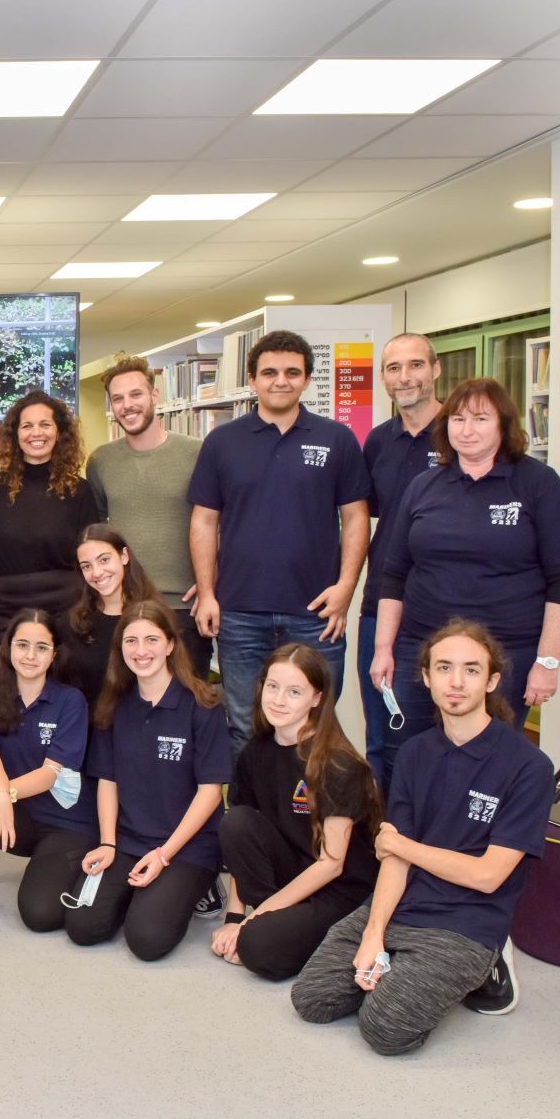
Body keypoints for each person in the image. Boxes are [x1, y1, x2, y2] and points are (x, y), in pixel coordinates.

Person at [291, 620, 554, 1054]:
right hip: (401, 907)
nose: (456, 682)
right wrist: (374, 933)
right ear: (427, 677)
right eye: (444, 668)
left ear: (491, 681)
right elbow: (393, 859)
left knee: (385, 1031)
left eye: (471, 670)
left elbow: (489, 876)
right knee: (312, 999)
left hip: (467, 922)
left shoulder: (528, 766)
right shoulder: (414, 753)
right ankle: (404, 966)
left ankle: (488, 963)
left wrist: (403, 846)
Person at [367, 379, 560, 783]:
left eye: (480, 419)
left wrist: (548, 663)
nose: (466, 430)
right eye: (458, 419)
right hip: (422, 649)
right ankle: (403, 843)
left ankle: (479, 847)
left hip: (505, 653)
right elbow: (394, 573)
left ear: (503, 425)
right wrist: (383, 649)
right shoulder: (424, 487)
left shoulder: (540, 485)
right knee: (406, 758)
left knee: (489, 764)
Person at [188, 329, 372, 749]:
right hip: (239, 613)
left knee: (314, 725)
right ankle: (250, 814)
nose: (280, 381)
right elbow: (203, 521)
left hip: (315, 614)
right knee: (244, 723)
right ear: (252, 379)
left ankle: (311, 814)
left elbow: (356, 517)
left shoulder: (337, 439)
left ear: (308, 380)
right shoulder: (222, 441)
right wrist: (210, 593)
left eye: (292, 372)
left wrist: (346, 588)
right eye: (269, 372)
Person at [65, 601, 232, 960]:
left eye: (152, 639)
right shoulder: (114, 705)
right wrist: (108, 844)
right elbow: (107, 780)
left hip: (186, 845)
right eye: (131, 641)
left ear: (171, 644)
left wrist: (163, 855)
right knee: (82, 925)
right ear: (120, 648)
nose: (141, 651)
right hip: (128, 839)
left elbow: (211, 792)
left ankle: (203, 887)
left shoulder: (203, 705)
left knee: (146, 939)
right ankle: (148, 891)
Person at [213, 645, 381, 981]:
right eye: (272, 687)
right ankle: (280, 924)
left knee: (259, 949)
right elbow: (241, 840)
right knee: (235, 822)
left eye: (294, 692)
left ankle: (322, 934)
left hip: (340, 889)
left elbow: (332, 864)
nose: (278, 700)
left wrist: (253, 920)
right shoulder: (254, 752)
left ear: (316, 698)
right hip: (292, 870)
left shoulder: (338, 764)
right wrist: (234, 917)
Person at [0, 610, 96, 930]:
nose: (30, 655)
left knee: (40, 916)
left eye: (42, 647)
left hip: (66, 824)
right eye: (22, 644)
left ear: (54, 654)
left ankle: (73, 868)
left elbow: (51, 773)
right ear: (8, 648)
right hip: (16, 817)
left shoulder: (71, 701)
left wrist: (0, 794)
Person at [86, 354, 211, 674]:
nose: (127, 405)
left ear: (155, 395)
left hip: (184, 608)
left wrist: (212, 584)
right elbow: (98, 535)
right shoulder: (101, 462)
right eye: (118, 399)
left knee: (186, 707)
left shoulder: (197, 454)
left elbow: (219, 525)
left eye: (136, 394)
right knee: (125, 710)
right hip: (125, 608)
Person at [357, 334, 444, 783]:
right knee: (383, 733)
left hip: (446, 610)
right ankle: (383, 841)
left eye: (414, 365)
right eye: (394, 368)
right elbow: (366, 517)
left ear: (435, 369)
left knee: (447, 732)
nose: (404, 377)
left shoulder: (459, 436)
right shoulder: (378, 442)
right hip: (381, 605)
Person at [0, 390, 100, 638]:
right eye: (27, 426)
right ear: (15, 435)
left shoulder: (79, 490)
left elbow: (93, 561)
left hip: (67, 615)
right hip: (6, 615)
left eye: (45, 424)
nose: (36, 433)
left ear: (59, 432)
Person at [56, 524, 158, 706]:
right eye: (86, 566)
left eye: (104, 560)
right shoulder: (69, 624)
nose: (96, 573)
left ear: (124, 556)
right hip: (86, 729)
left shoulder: (154, 618)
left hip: (140, 729)